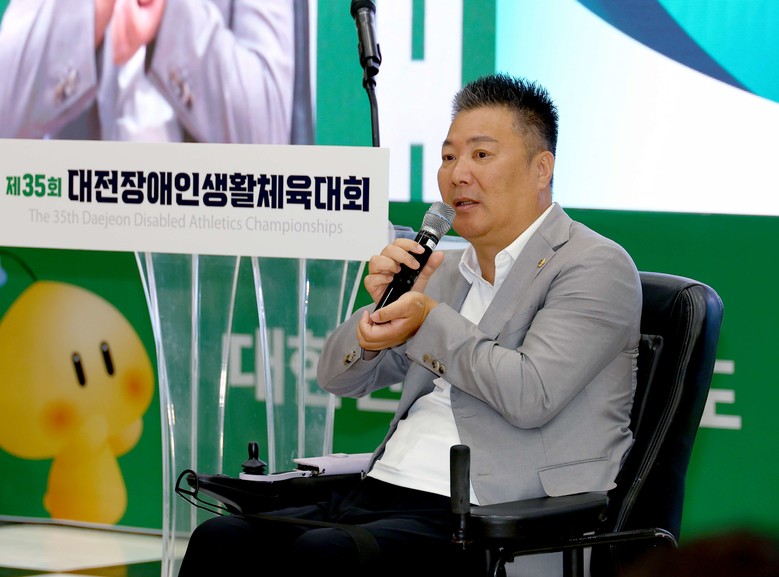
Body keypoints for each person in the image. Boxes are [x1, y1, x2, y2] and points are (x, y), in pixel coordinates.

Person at [177, 73, 642, 577]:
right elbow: (336, 378)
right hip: (379, 491)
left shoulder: (593, 265)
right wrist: (376, 319)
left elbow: (531, 394)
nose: (457, 174)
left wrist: (426, 318)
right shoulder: (447, 271)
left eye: (480, 155)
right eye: (448, 157)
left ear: (540, 168)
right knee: (222, 539)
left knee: (325, 556)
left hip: (488, 514)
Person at [0, 0, 295, 143]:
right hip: (81, 227)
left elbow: (266, 138)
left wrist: (170, 15)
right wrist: (92, 11)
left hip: (208, 231)